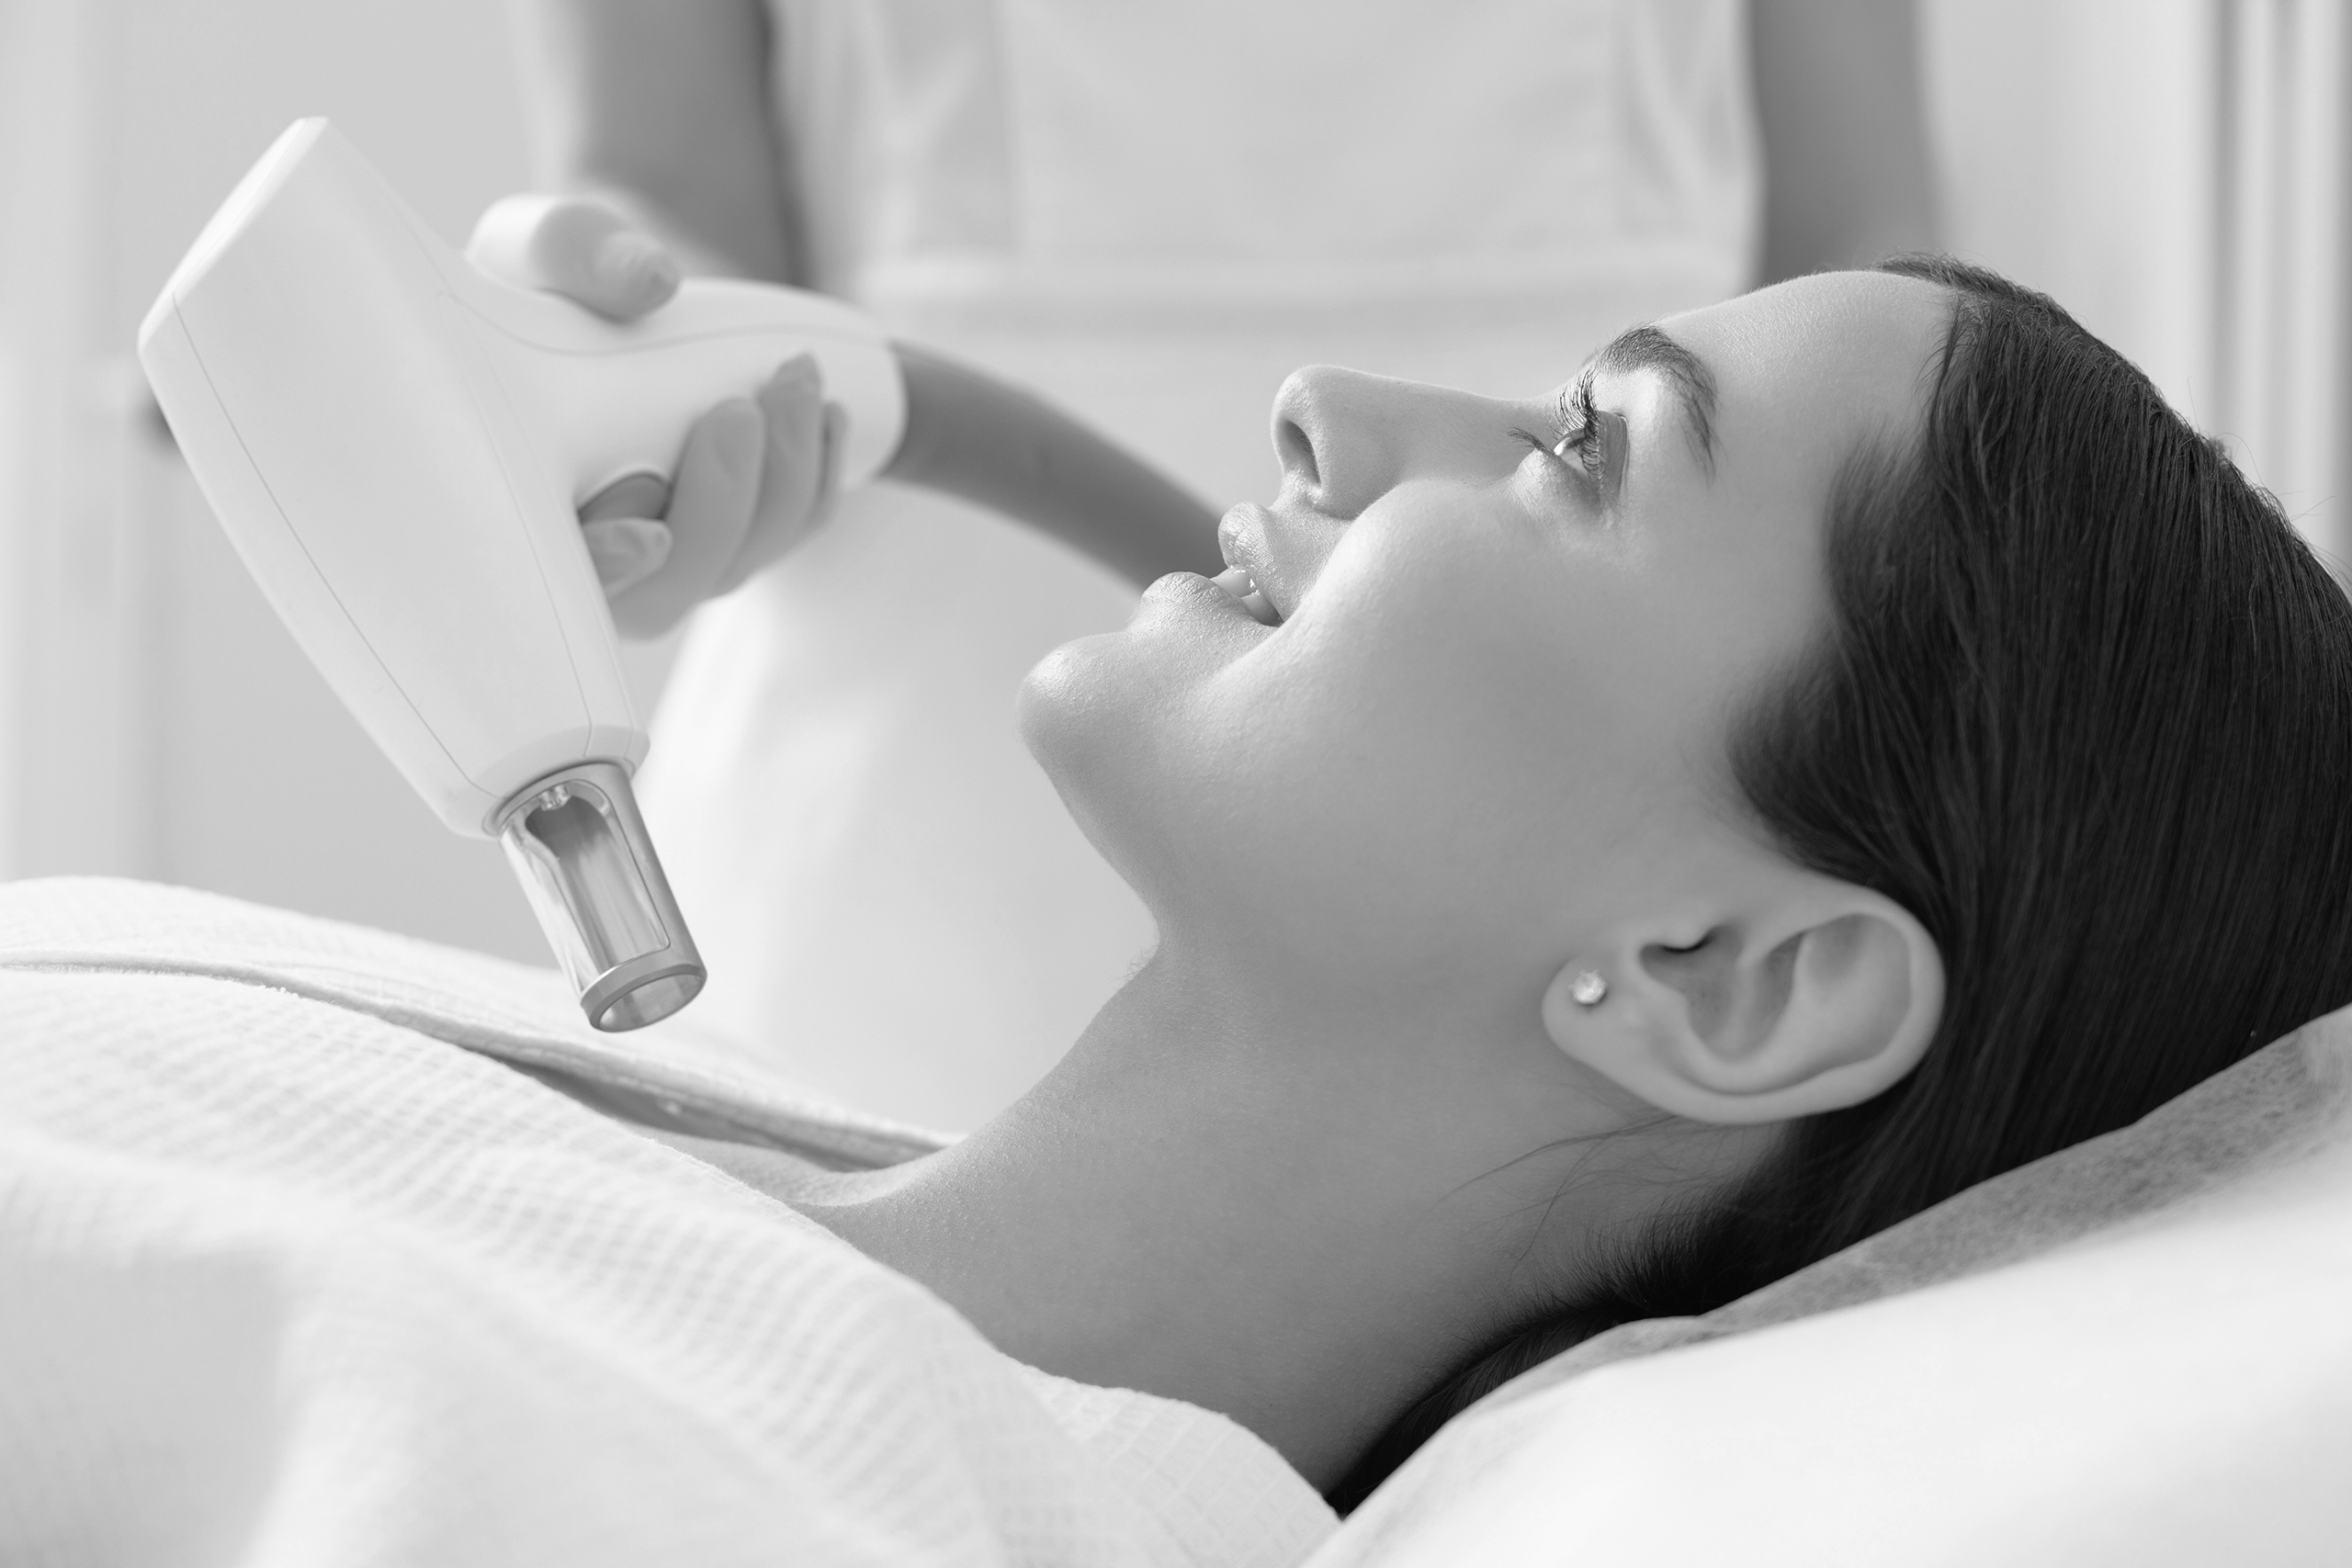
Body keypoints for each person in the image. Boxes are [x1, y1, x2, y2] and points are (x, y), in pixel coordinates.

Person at [478, 227, 2352, 1506]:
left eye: (1576, 449)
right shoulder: (611, 1200)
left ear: (1726, 976)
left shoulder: (650, 1478)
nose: (1323, 407)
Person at [503, 0, 1939, 1128]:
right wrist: (624, 376)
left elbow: (1872, 323)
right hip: (890, 806)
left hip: (1606, 861)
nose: (1307, 421)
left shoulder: (1731, 992)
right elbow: (660, 193)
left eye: (1580, 451)